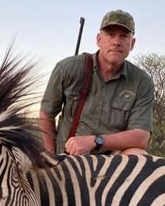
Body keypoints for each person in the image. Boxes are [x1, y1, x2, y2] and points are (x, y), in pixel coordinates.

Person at [39, 10, 154, 156]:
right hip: (69, 158)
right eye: (110, 34)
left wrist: (95, 141)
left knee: (138, 154)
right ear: (99, 39)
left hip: (112, 164)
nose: (116, 42)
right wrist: (50, 156)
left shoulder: (142, 81)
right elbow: (46, 114)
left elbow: (141, 137)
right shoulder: (67, 68)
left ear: (132, 44)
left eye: (124, 36)